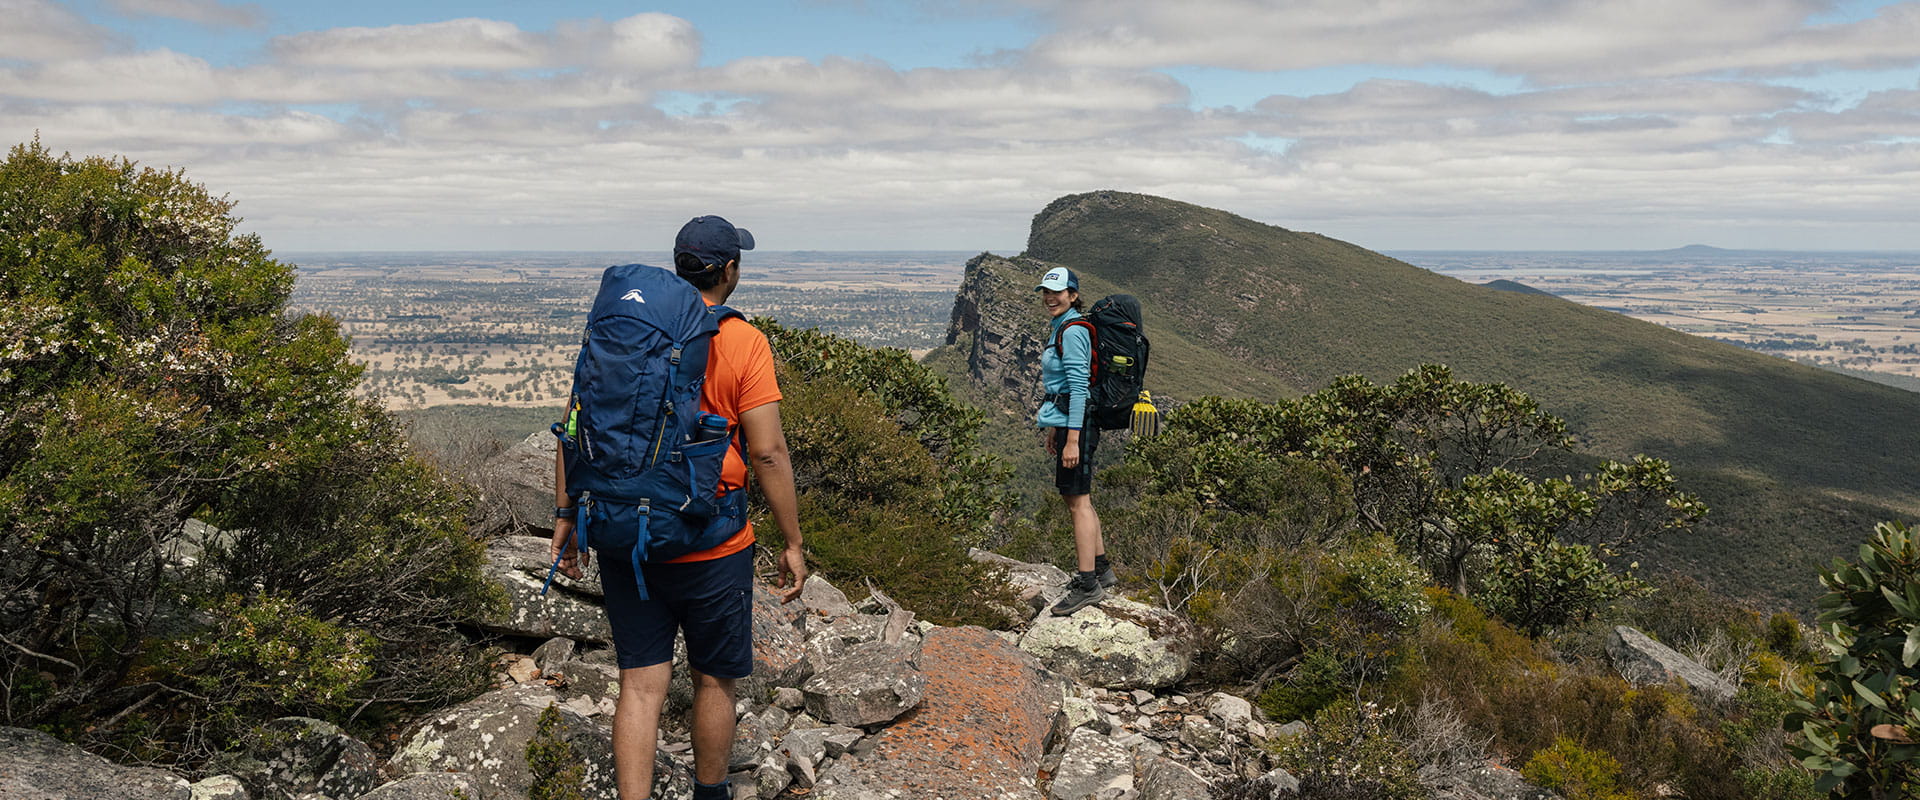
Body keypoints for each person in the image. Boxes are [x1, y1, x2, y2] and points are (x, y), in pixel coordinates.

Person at [550, 215, 807, 800]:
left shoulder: (625, 332)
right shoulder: (742, 341)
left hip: (625, 534)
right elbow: (767, 452)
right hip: (711, 541)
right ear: (730, 270)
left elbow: (575, 426)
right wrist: (792, 542)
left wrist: (568, 518)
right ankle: (710, 794)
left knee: (640, 685)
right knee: (715, 678)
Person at [1036, 266, 1115, 616]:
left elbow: (1079, 388)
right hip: (1069, 420)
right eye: (1046, 292)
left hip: (1079, 424)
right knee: (1079, 498)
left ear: (1072, 294)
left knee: (1077, 503)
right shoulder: (1062, 325)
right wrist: (1055, 426)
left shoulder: (1073, 331)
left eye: (1058, 292)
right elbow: (1062, 388)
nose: (1050, 297)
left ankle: (1088, 586)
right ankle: (1102, 571)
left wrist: (1072, 439)